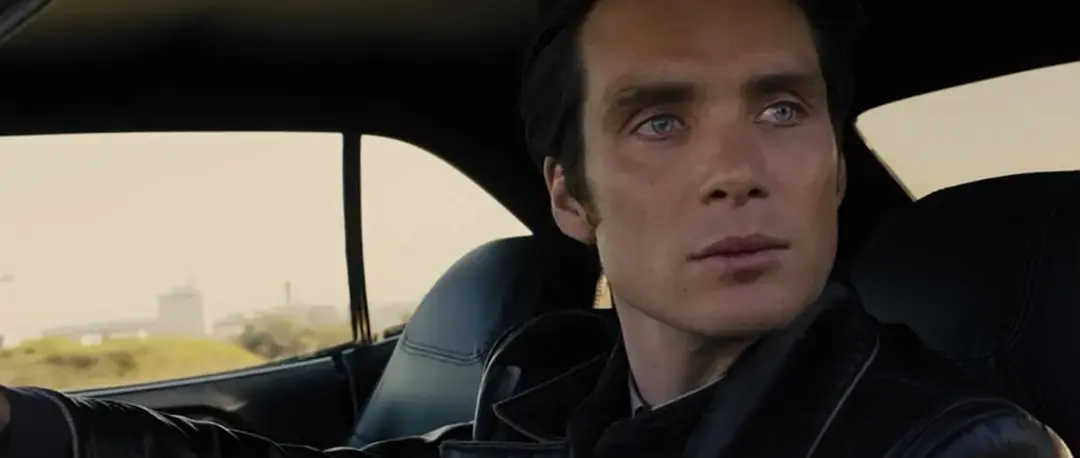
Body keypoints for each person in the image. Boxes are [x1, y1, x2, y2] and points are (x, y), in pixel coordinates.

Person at [0, 0, 1072, 457]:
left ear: (835, 164)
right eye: (660, 121)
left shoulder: (950, 444)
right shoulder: (551, 398)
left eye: (784, 110)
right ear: (570, 197)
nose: (737, 171)